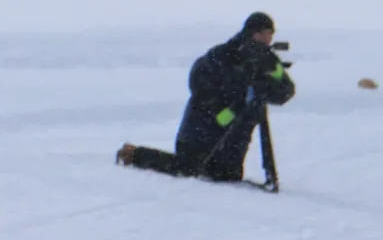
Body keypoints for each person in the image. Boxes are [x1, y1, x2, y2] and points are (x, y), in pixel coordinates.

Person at [117, 12, 295, 185]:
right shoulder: (224, 54)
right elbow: (198, 80)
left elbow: (286, 91)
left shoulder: (269, 61)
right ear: (249, 33)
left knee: (226, 177)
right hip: (203, 126)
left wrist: (264, 88)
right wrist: (221, 106)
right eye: (261, 34)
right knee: (188, 168)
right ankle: (134, 154)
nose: (266, 39)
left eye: (269, 34)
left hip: (236, 133)